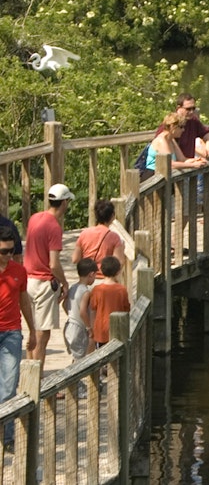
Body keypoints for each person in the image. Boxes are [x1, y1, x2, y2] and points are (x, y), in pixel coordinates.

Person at [24, 183, 74, 372]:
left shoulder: (34, 218)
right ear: (64, 203)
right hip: (44, 283)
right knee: (42, 336)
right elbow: (54, 264)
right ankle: (38, 381)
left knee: (32, 334)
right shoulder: (54, 227)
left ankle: (29, 376)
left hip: (27, 280)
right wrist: (65, 282)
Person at [1, 225, 36, 449]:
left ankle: (8, 437)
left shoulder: (19, 270)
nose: (8, 255)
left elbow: (24, 301)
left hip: (12, 333)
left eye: (11, 251)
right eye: (3, 251)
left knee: (8, 386)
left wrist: (33, 330)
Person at [81, 256, 130, 352]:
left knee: (102, 354)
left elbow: (93, 310)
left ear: (102, 271)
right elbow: (126, 309)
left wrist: (92, 328)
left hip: (100, 331)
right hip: (118, 330)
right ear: (118, 272)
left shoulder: (96, 290)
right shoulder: (122, 290)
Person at [72, 199, 127, 278]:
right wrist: (122, 250)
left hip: (86, 279)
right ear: (112, 216)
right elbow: (118, 263)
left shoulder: (84, 234)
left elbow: (75, 259)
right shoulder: (114, 237)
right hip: (104, 279)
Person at [63, 258, 96, 361]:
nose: (94, 278)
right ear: (91, 274)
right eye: (95, 275)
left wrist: (72, 314)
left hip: (69, 326)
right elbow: (83, 312)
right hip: (79, 329)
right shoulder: (86, 292)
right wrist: (89, 328)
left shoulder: (73, 287)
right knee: (81, 360)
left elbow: (64, 305)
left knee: (76, 357)